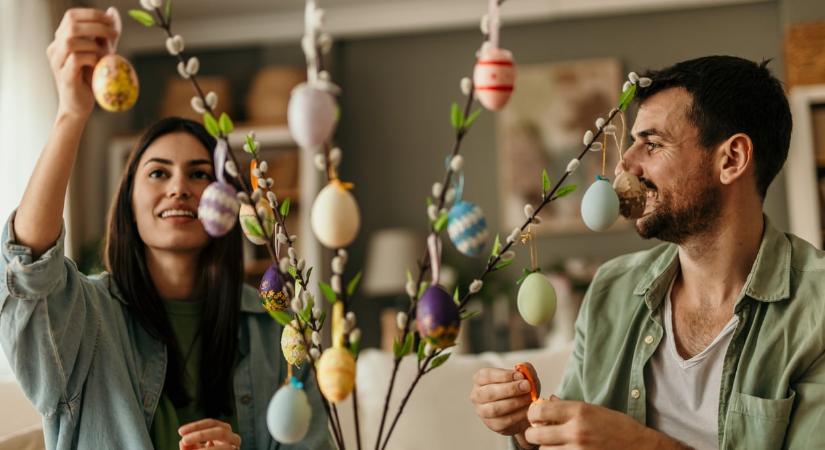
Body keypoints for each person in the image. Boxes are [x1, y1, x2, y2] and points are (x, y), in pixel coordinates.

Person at [0, 8, 332, 450]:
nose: (179, 188)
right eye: (158, 173)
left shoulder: (276, 332)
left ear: (229, 202)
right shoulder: (87, 322)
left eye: (199, 174)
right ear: (129, 205)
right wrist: (71, 114)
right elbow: (28, 267)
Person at [471, 55, 825, 449]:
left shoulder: (817, 309)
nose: (625, 164)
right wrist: (526, 428)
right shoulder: (612, 288)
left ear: (731, 159)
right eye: (632, 143)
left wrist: (640, 445)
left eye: (652, 144)